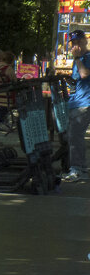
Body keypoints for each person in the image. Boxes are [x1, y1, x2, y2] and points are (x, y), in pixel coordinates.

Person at [63, 28, 90, 182]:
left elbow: (84, 74)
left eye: (78, 41)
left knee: (75, 137)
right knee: (72, 136)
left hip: (84, 102)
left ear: (85, 41)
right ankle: (79, 167)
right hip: (75, 101)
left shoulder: (85, 57)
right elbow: (78, 78)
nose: (75, 45)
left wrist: (78, 59)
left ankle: (77, 169)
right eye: (73, 42)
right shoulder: (78, 58)